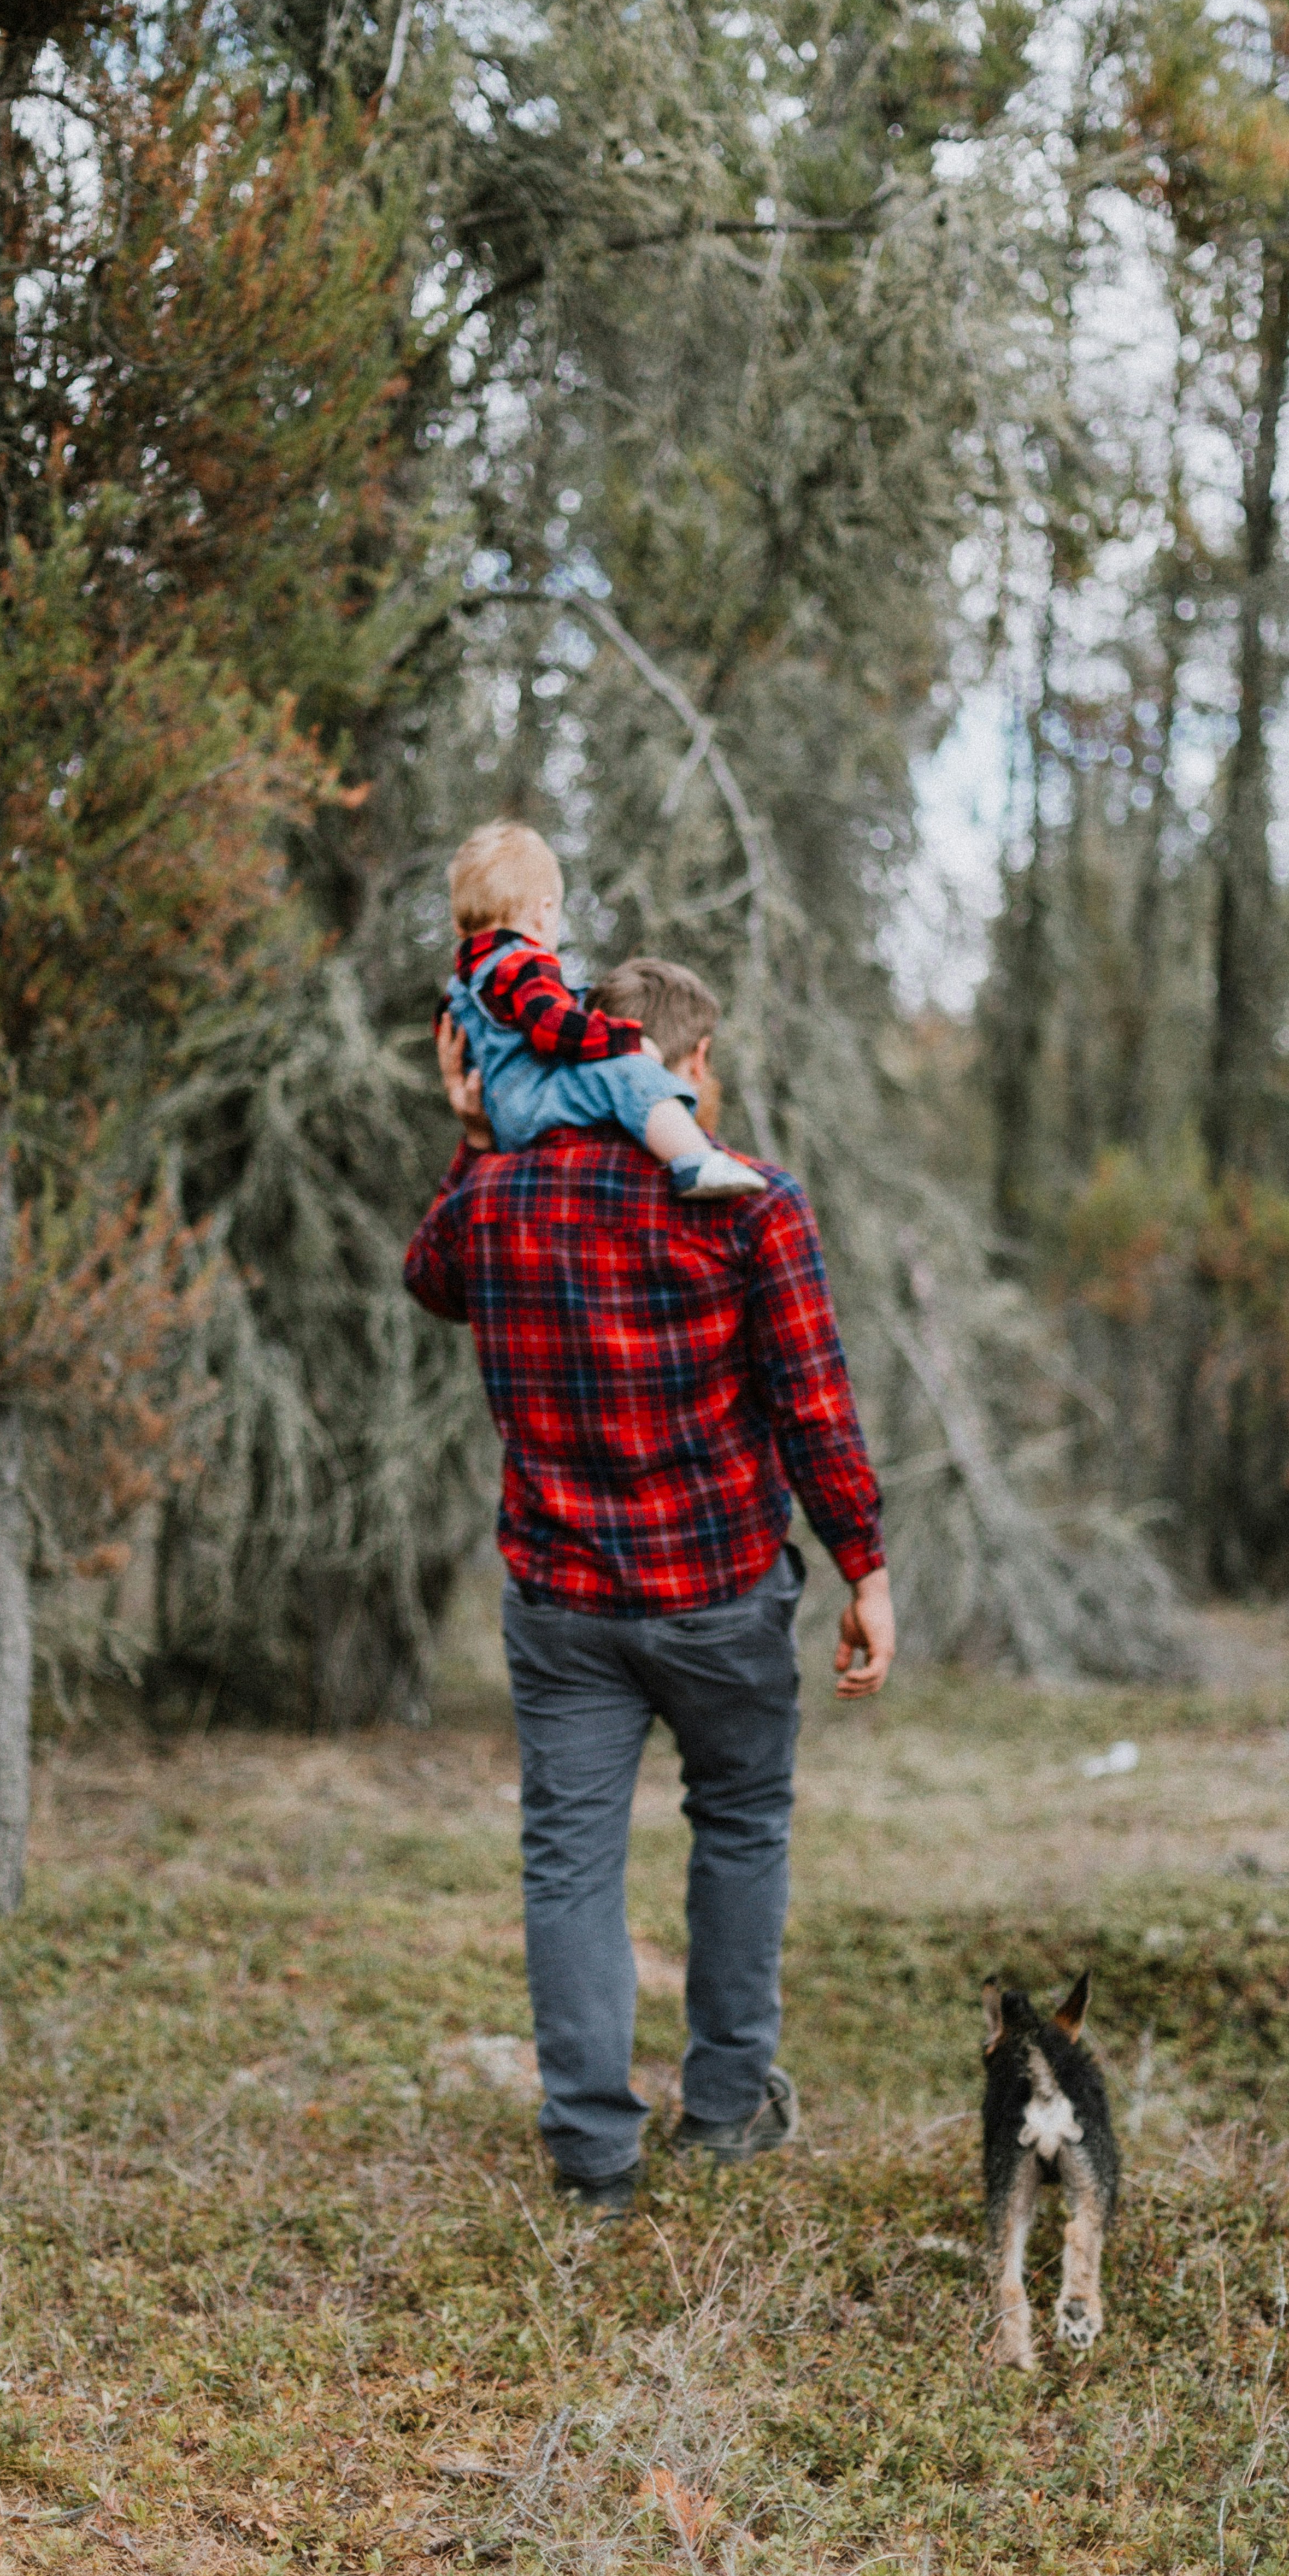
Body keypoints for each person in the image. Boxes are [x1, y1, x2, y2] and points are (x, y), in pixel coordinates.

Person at [402, 948, 896, 2219]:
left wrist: (473, 1137)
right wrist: (865, 1565)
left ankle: (593, 2156)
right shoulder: (751, 1201)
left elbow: (431, 1279)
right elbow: (813, 1404)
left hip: (563, 1598)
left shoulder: (496, 1192)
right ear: (686, 1062)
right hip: (720, 1587)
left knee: (570, 1862)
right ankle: (724, 2112)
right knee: (740, 1823)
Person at [440, 818, 763, 1200]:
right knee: (626, 1072)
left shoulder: (459, 990)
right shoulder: (524, 963)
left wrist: (480, 1131)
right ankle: (695, 1162)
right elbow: (551, 1026)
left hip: (499, 1121)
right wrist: (626, 1041)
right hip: (534, 1101)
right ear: (544, 911)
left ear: (459, 925)